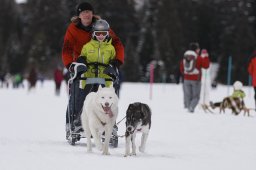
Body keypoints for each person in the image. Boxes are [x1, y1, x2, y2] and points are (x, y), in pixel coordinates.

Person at [62, 2, 124, 141]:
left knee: (105, 96)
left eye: (89, 11)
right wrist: (71, 65)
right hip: (82, 66)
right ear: (79, 15)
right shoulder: (73, 29)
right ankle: (73, 123)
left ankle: (107, 122)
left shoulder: (101, 26)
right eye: (83, 12)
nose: (86, 14)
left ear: (92, 13)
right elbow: (67, 49)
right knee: (78, 95)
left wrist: (116, 62)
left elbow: (116, 44)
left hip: (104, 67)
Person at [180, 42, 210, 113]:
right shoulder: (198, 57)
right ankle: (191, 108)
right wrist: (205, 56)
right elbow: (206, 66)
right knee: (196, 96)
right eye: (198, 49)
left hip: (186, 79)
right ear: (196, 50)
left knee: (187, 95)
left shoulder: (185, 57)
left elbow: (181, 68)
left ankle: (187, 108)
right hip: (196, 80)